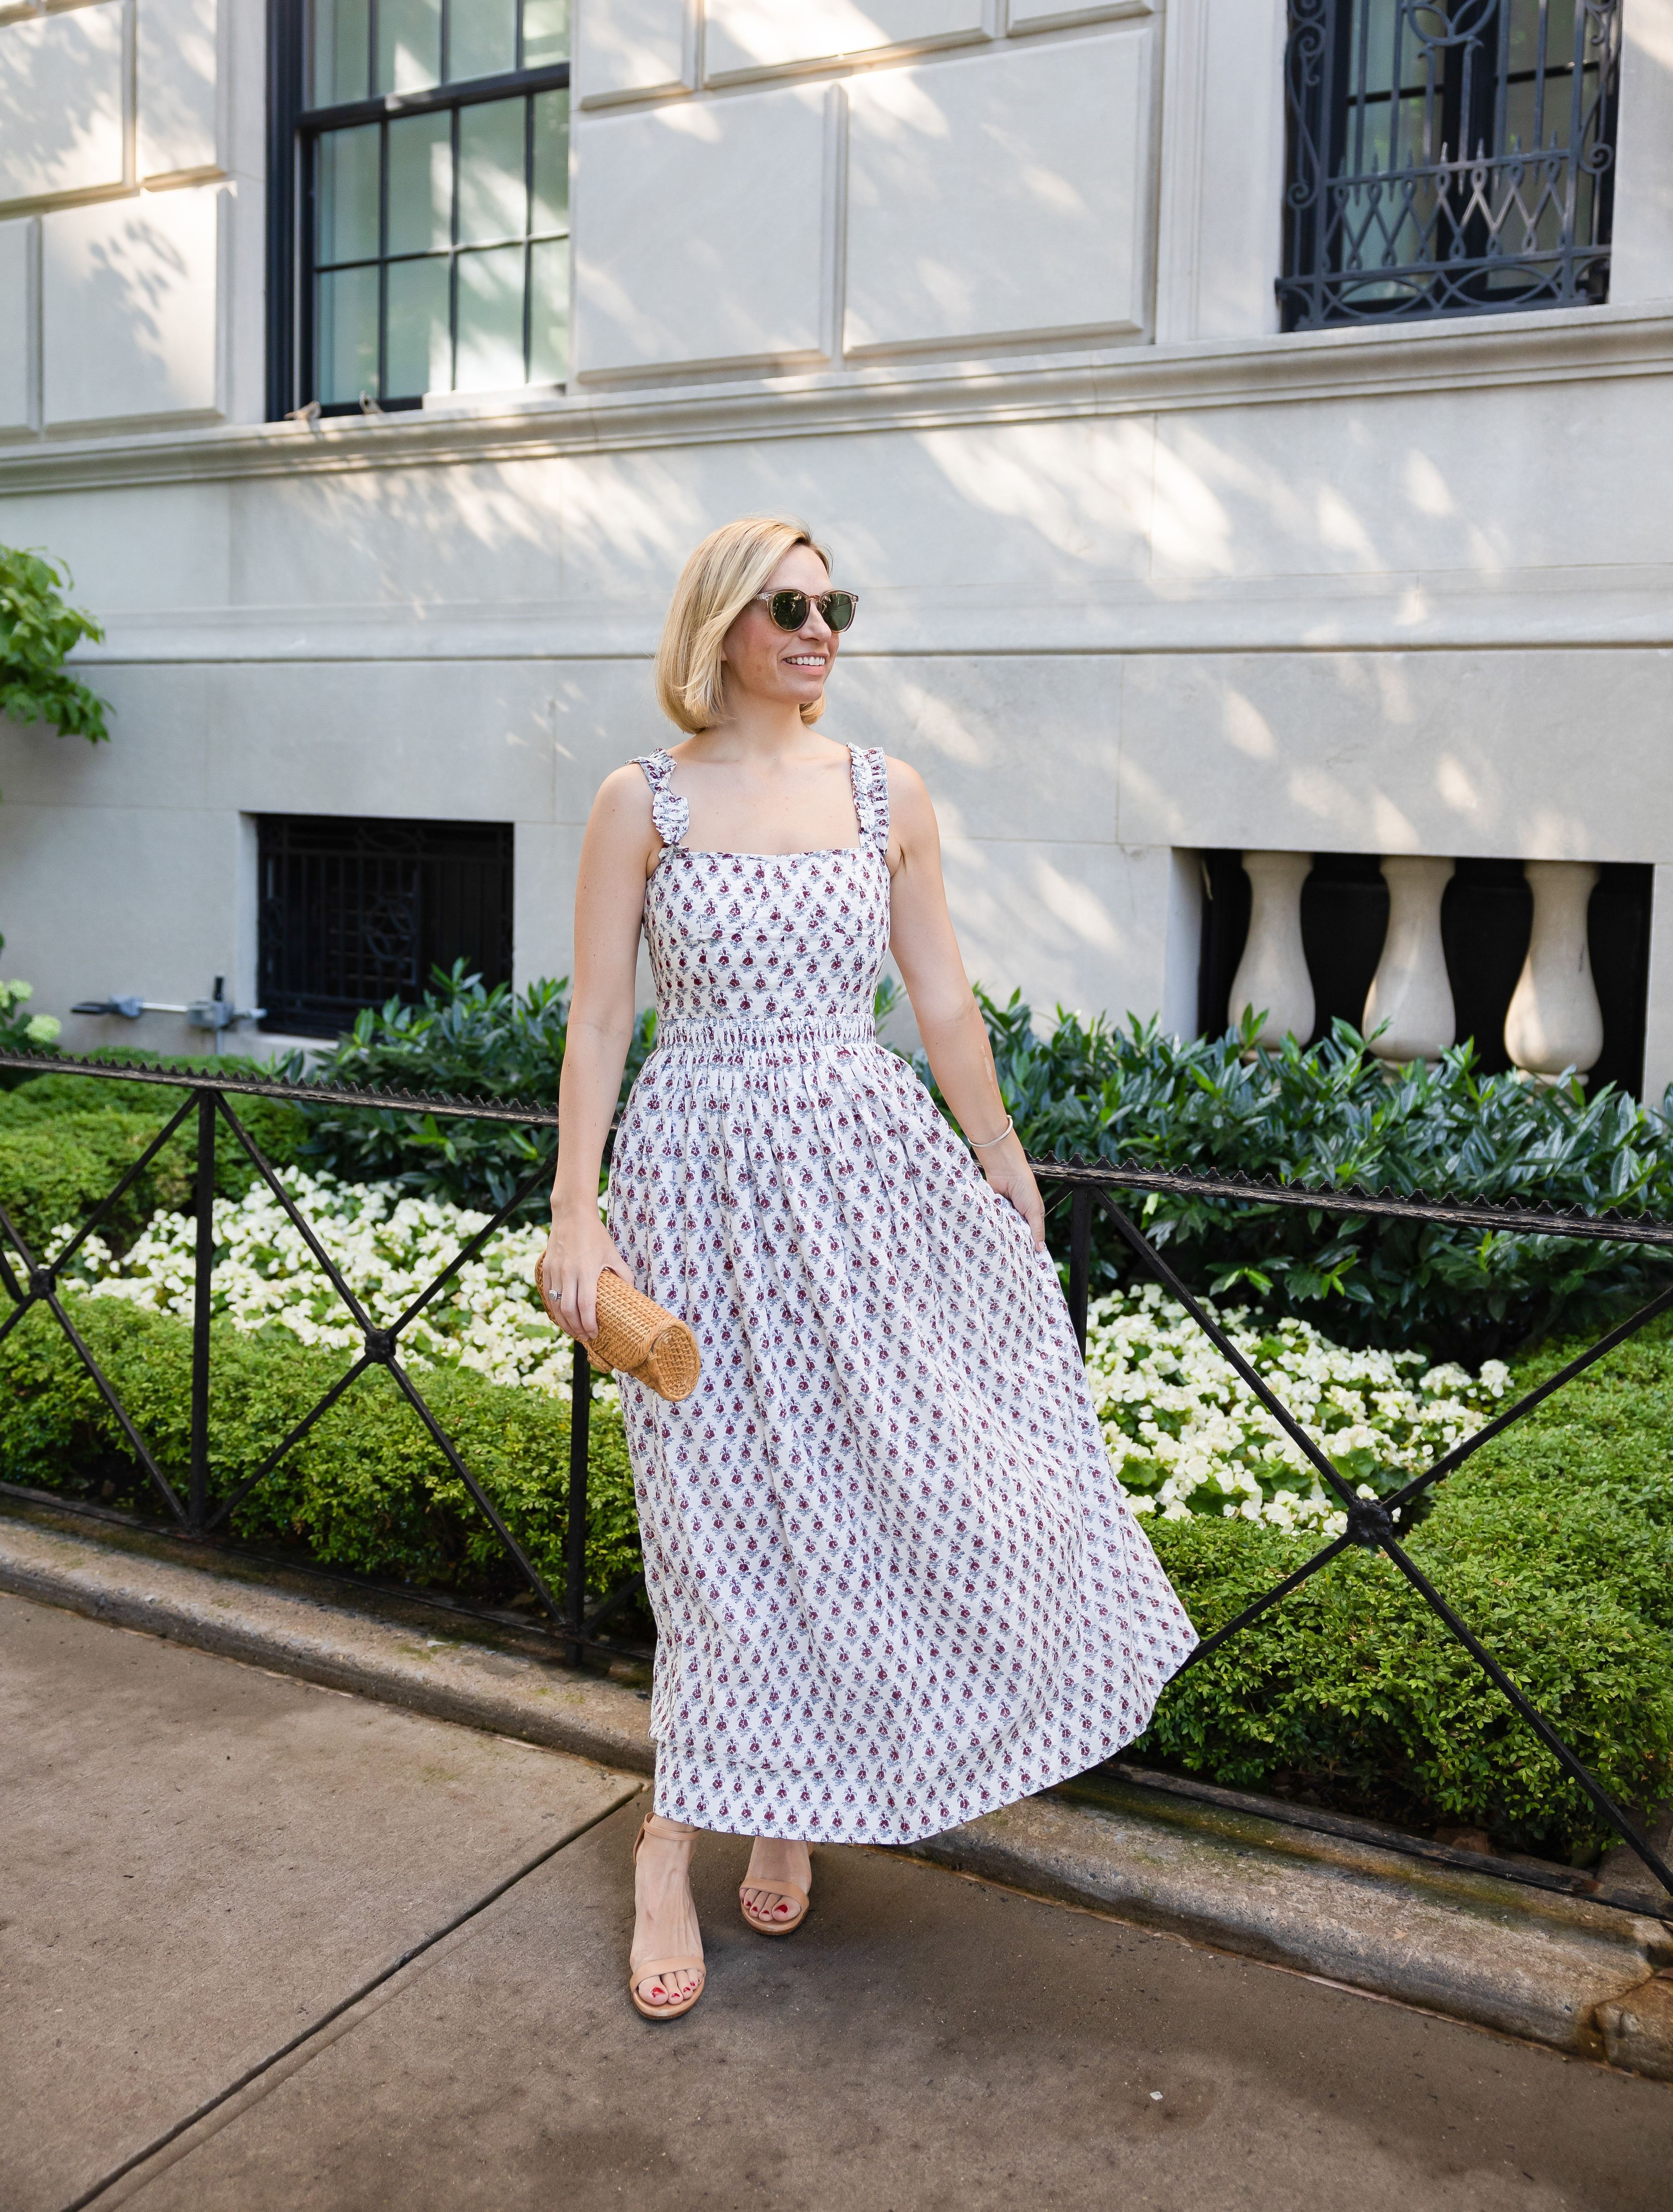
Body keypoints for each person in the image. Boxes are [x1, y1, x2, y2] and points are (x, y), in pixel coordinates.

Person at [542, 515, 1196, 2020]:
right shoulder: (638, 802)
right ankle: (668, 1842)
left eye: (837, 599)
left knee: (874, 1491)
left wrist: (1005, 1157)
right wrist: (577, 1211)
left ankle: (793, 1798)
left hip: (863, 1180)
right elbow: (594, 1022)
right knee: (715, 1532)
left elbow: (945, 995)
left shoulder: (886, 791)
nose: (822, 625)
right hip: (697, 1184)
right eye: (792, 603)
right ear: (722, 625)